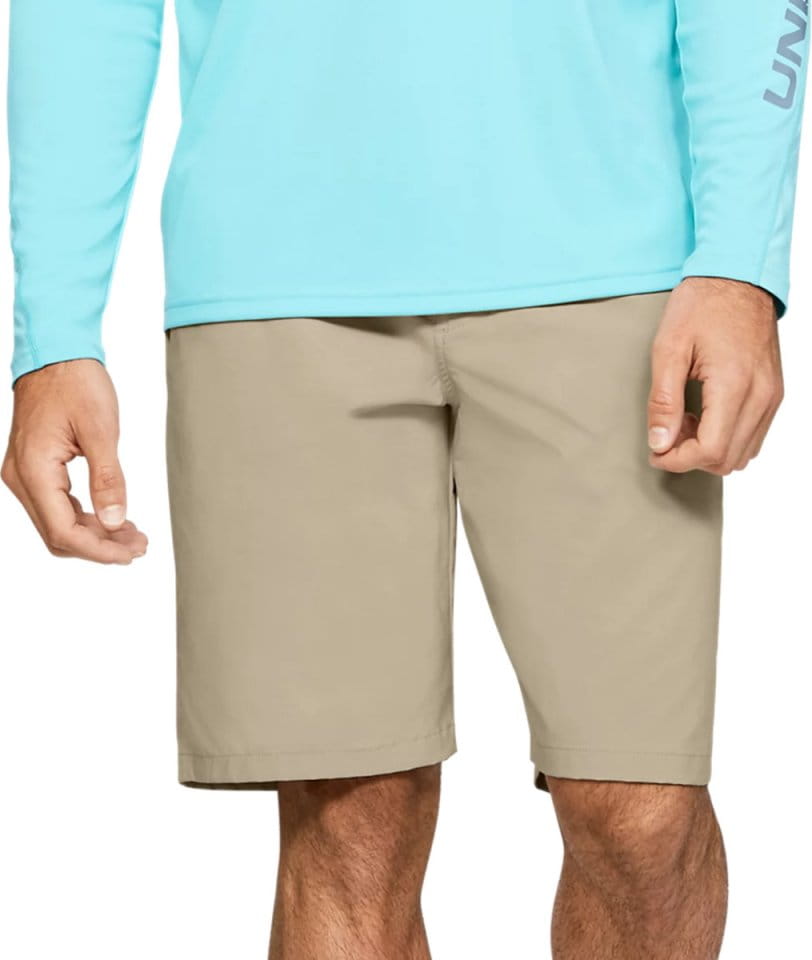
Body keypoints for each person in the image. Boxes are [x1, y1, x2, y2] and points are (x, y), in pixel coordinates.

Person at [3, 2, 807, 957]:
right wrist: (54, 334)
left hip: (612, 262)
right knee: (348, 823)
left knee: (639, 809)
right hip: (272, 273)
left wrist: (741, 265)